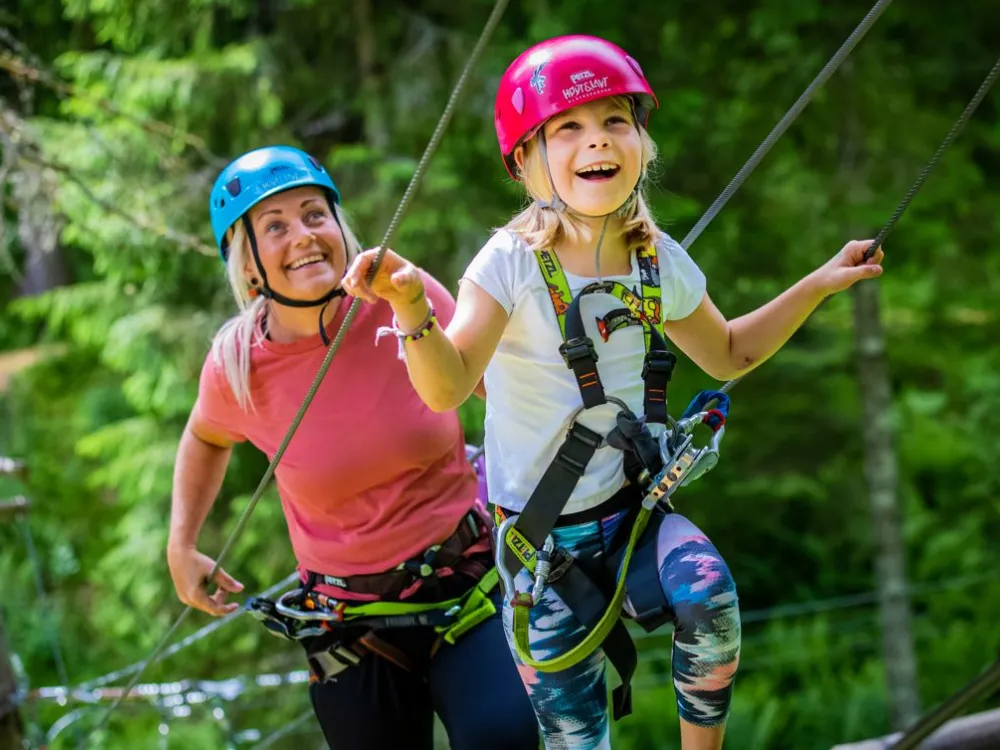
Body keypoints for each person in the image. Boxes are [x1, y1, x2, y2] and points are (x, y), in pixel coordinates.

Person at [342, 35, 885, 750]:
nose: (596, 139)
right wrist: (411, 305)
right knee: (577, 737)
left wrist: (819, 283)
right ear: (525, 161)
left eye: (614, 122)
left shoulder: (656, 260)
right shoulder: (509, 264)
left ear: (641, 146)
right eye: (568, 127)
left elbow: (728, 351)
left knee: (709, 598)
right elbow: (448, 386)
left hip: (634, 520)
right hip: (542, 545)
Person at [166, 145, 539, 750]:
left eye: (315, 215)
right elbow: (205, 435)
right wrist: (182, 543)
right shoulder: (238, 365)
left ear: (340, 227)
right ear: (249, 264)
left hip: (467, 585)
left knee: (505, 736)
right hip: (350, 625)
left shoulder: (403, 297)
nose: (303, 236)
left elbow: (505, 388)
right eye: (275, 226)